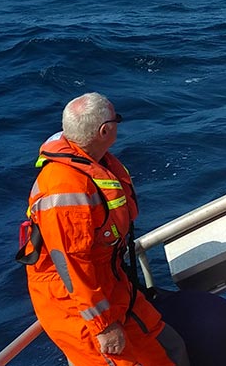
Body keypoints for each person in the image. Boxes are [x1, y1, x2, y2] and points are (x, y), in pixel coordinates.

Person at [19, 93, 188, 366]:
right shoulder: (63, 188)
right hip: (77, 303)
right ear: (104, 130)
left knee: (170, 349)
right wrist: (103, 326)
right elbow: (72, 267)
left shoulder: (97, 162)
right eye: (116, 120)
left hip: (111, 285)